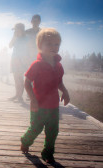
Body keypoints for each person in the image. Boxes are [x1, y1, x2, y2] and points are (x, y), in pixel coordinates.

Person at [20, 28, 70, 163]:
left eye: (56, 44)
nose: (54, 47)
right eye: (49, 44)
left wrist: (65, 91)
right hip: (39, 105)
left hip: (53, 106)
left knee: (53, 132)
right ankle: (25, 141)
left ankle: (48, 153)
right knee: (36, 128)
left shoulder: (59, 66)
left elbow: (59, 81)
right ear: (39, 46)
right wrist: (33, 100)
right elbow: (27, 83)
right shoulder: (37, 64)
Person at [9, 23, 28, 102]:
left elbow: (28, 49)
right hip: (14, 58)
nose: (15, 31)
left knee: (20, 78)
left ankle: (20, 96)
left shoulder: (26, 38)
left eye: (16, 29)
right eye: (15, 29)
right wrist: (14, 37)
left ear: (21, 29)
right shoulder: (15, 37)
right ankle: (17, 95)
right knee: (16, 78)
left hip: (21, 59)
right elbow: (10, 46)